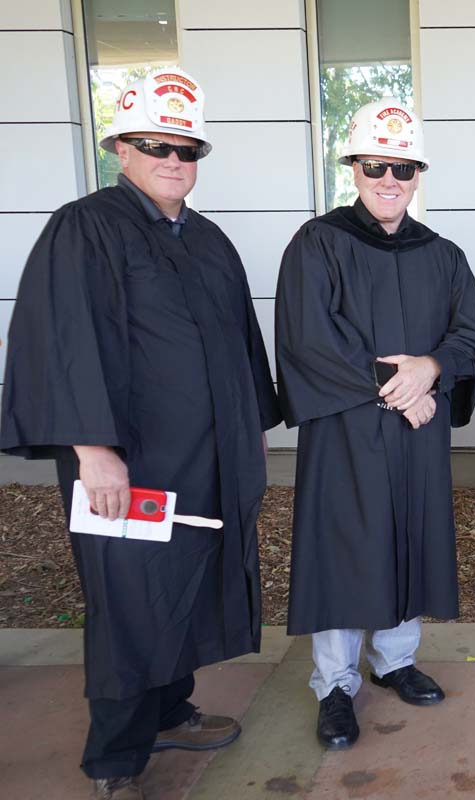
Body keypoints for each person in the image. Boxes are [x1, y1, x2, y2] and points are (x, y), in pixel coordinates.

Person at [0, 68, 280, 800]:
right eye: (155, 144)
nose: (173, 160)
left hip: (207, 457)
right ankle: (116, 759)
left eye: (187, 149)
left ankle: (167, 709)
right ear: (119, 148)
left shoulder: (210, 239)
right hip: (131, 462)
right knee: (129, 601)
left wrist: (249, 434)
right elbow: (63, 342)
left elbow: (239, 344)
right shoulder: (84, 227)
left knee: (188, 584)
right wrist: (93, 451)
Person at [275, 99, 475, 747]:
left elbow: (473, 337)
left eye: (402, 166)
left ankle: (395, 661)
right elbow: (307, 339)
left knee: (411, 538)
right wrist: (403, 389)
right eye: (376, 165)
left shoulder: (444, 255)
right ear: (354, 167)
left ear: (417, 173)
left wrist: (432, 366)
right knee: (345, 549)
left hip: (415, 440)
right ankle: (336, 684)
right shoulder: (319, 243)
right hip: (347, 433)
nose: (389, 179)